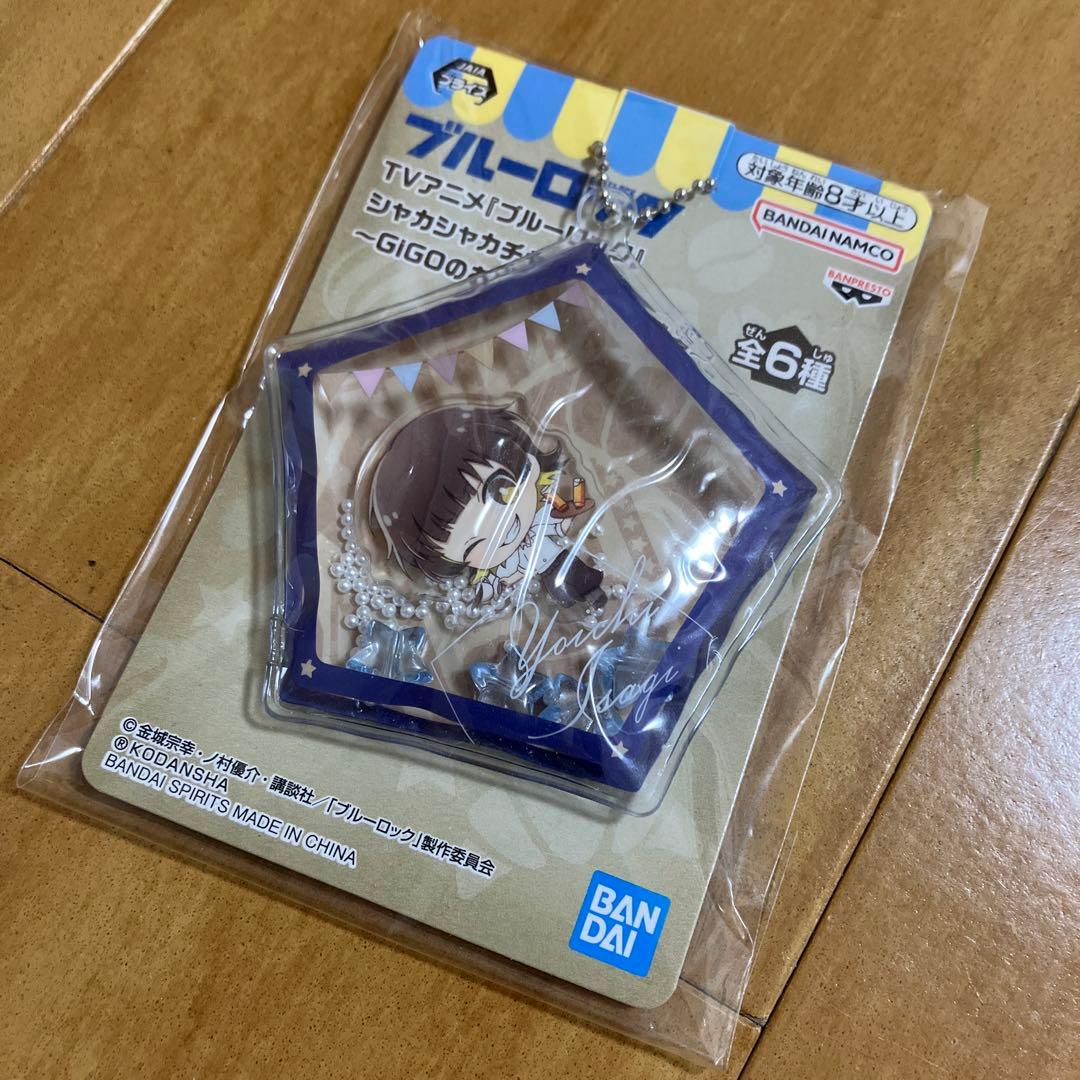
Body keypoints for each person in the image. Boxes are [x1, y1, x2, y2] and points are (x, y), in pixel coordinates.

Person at [370, 403, 606, 610]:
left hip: (562, 558)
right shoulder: (504, 567)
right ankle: (574, 598)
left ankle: (593, 591)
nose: (498, 532)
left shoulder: (541, 515)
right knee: (560, 591)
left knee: (581, 575)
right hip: (548, 576)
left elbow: (558, 521)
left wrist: (570, 512)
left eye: (501, 491)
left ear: (530, 464)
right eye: (471, 546)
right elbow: (495, 584)